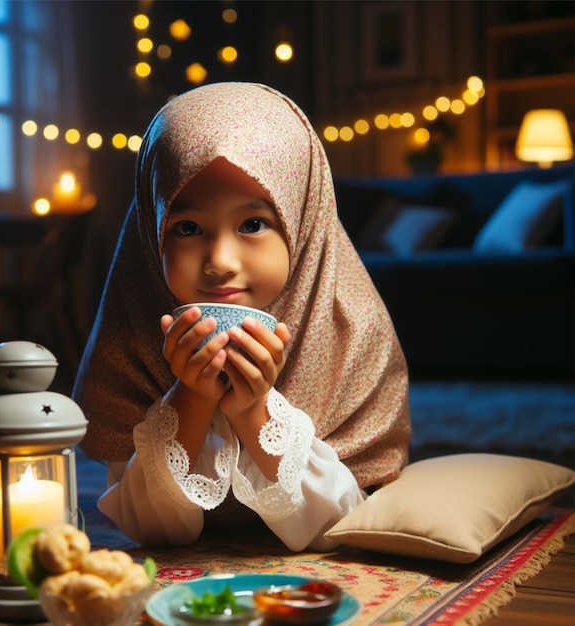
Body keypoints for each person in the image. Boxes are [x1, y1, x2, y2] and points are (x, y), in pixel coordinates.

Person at [73, 82, 410, 552]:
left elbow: (343, 523)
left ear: (304, 220)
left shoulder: (352, 335)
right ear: (150, 235)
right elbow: (149, 531)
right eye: (186, 228)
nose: (221, 261)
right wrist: (188, 400)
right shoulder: (132, 337)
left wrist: (254, 411)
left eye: (253, 224)